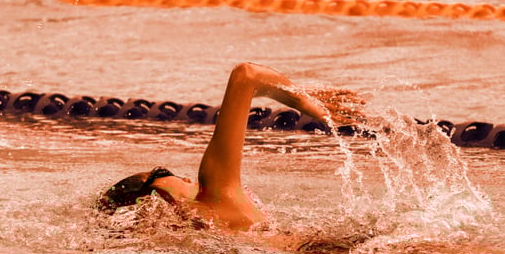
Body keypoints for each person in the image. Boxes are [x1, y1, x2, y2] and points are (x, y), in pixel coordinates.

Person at [97, 62, 365, 230]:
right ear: (158, 196)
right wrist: (303, 100)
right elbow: (246, 75)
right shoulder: (213, 194)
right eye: (168, 175)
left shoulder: (205, 229)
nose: (188, 179)